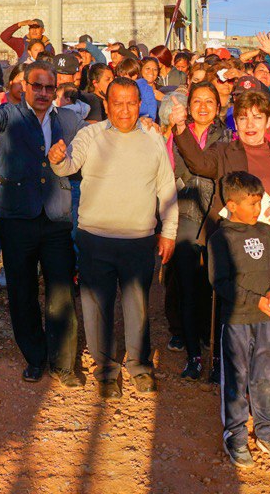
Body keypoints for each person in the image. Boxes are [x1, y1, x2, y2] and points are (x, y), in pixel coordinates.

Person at [172, 90, 270, 410]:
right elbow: (196, 161)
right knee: (242, 317)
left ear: (267, 120)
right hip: (237, 250)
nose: (250, 124)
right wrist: (180, 130)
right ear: (236, 119)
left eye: (257, 117)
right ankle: (243, 381)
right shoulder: (223, 152)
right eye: (243, 117)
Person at [49, 77, 177, 398]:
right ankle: (106, 370)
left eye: (131, 103)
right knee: (96, 306)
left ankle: (139, 365)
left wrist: (169, 232)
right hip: (96, 237)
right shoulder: (90, 135)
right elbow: (69, 166)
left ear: (140, 104)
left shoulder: (152, 137)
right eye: (116, 103)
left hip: (139, 239)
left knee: (139, 306)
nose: (124, 110)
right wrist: (57, 160)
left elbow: (167, 189)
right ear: (106, 105)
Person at [0, 61, 84, 386]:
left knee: (61, 292)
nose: (44, 93)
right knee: (22, 293)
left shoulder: (69, 119)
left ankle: (63, 363)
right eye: (38, 86)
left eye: (50, 87)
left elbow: (88, 150)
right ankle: (35, 357)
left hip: (56, 219)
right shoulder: (9, 114)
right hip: (16, 218)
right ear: (24, 84)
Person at [209, 171, 270, 468]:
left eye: (259, 202)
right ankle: (236, 435)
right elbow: (221, 282)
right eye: (251, 204)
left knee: (267, 376)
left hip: (266, 319)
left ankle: (268, 432)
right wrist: (253, 299)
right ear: (232, 205)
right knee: (236, 378)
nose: (257, 210)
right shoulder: (221, 238)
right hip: (237, 321)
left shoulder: (268, 233)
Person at [166, 83, 229, 379]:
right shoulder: (175, 134)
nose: (203, 107)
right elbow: (169, 172)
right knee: (188, 289)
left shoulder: (228, 136)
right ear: (189, 105)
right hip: (186, 215)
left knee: (216, 289)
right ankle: (194, 356)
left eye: (209, 101)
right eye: (197, 101)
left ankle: (215, 356)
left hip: (217, 217)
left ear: (218, 106)